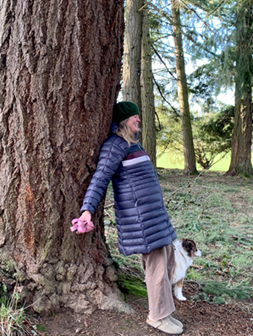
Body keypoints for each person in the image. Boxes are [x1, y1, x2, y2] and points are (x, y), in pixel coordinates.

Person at [77, 101, 183, 335]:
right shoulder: (115, 145)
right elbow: (100, 178)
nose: (138, 120)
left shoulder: (133, 144)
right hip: (141, 219)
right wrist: (87, 209)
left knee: (166, 261)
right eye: (134, 117)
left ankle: (166, 312)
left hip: (156, 215)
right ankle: (157, 317)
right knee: (156, 267)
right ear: (124, 120)